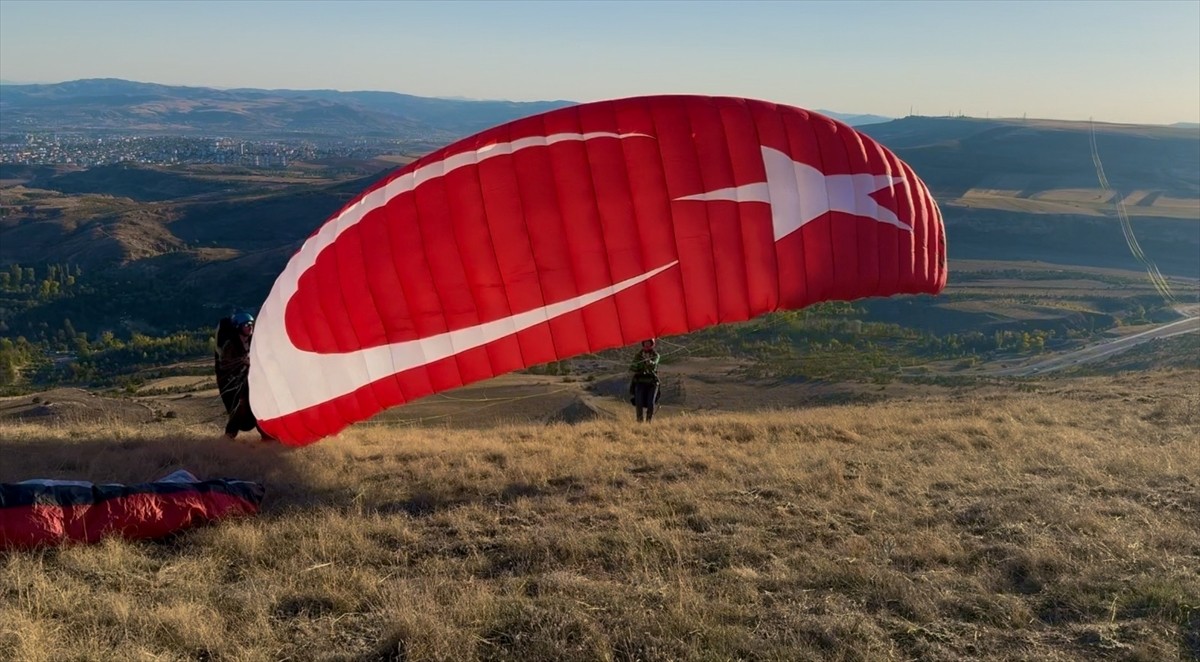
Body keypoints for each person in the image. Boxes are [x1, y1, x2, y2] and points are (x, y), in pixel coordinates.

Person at [216, 312, 273, 441]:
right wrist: (242, 362)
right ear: (238, 327)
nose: (250, 327)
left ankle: (266, 436)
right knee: (240, 410)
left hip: (254, 382)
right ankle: (228, 437)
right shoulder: (230, 346)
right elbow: (225, 365)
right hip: (238, 384)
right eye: (246, 325)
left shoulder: (254, 341)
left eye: (251, 324)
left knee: (261, 408)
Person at [629, 338, 660, 423]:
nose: (647, 345)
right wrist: (642, 363)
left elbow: (654, 364)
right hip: (640, 382)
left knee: (651, 403)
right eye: (645, 343)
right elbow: (633, 367)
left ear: (651, 344)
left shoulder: (655, 355)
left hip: (652, 383)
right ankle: (640, 422)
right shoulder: (638, 356)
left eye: (648, 343)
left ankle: (648, 422)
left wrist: (649, 362)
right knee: (639, 403)